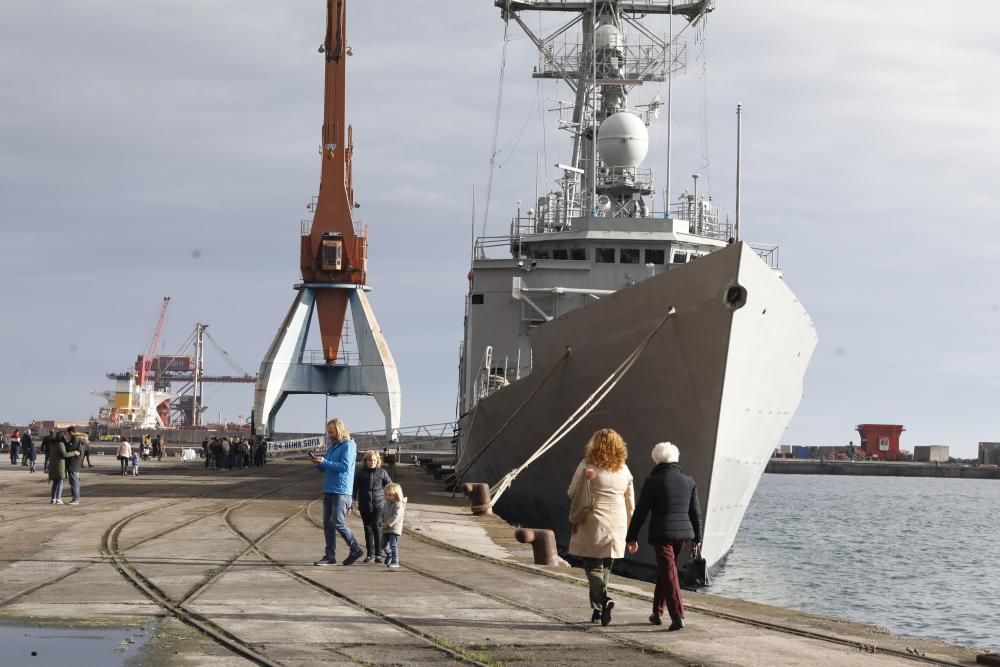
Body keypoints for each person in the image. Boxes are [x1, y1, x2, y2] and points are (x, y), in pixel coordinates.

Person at [625, 442, 704, 632]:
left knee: (669, 572)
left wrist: (632, 537)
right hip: (684, 535)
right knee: (666, 570)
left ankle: (678, 616)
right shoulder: (689, 480)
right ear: (676, 458)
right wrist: (698, 536)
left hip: (662, 535)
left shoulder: (652, 481)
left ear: (656, 459)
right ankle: (657, 613)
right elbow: (695, 511)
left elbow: (641, 512)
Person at [567, 428, 634, 627]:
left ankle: (604, 600)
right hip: (618, 524)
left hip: (594, 521)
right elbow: (631, 502)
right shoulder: (624, 468)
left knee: (593, 568)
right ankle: (598, 611)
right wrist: (631, 532)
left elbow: (572, 492)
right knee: (605, 567)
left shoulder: (588, 465)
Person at [310, 418, 363, 566]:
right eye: (328, 432)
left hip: (341, 490)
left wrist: (325, 462)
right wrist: (319, 464)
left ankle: (355, 549)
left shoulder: (349, 445)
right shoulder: (333, 446)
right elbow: (327, 467)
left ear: (339, 430)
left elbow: (344, 466)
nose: (329, 435)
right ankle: (329, 556)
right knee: (327, 524)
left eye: (331, 432)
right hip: (329, 489)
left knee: (338, 523)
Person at [353, 450, 392, 563]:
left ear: (377, 461)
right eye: (370, 460)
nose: (372, 462)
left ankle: (378, 554)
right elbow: (355, 488)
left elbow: (390, 486)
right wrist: (352, 501)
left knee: (376, 526)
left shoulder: (382, 472)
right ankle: (370, 554)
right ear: (366, 461)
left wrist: (391, 500)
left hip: (378, 504)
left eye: (374, 460)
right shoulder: (360, 473)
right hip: (364, 504)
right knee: (367, 528)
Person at [380, 482, 406, 569]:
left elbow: (396, 516)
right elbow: (383, 513)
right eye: (386, 494)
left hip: (394, 528)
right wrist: (381, 521)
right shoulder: (386, 503)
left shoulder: (398, 504)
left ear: (396, 494)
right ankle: (390, 554)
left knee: (393, 545)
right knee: (383, 544)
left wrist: (388, 524)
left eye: (389, 495)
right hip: (385, 527)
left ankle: (395, 561)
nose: (387, 496)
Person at [48, 433, 78, 504]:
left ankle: (53, 499)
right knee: (60, 482)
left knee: (55, 483)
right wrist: (74, 453)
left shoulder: (52, 444)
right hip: (59, 466)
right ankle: (58, 498)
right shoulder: (61, 444)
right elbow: (64, 454)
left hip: (52, 465)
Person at [65, 427, 88, 504]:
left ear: (71, 432)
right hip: (77, 464)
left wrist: (66, 443)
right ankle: (76, 498)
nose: (67, 435)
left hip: (73, 464)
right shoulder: (82, 440)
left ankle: (75, 499)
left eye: (67, 433)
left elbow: (69, 450)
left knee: (74, 482)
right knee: (76, 482)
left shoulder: (75, 440)